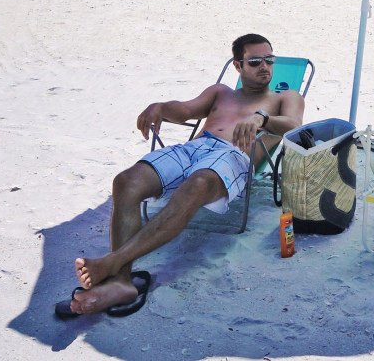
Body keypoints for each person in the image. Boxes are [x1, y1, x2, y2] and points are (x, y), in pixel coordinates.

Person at [60, 34, 304, 316]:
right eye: (255, 61)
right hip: (195, 148)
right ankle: (121, 283)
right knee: (126, 181)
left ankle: (113, 265)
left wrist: (262, 118)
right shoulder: (220, 92)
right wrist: (161, 107)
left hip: (233, 156)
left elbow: (293, 126)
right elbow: (186, 110)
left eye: (269, 59)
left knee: (198, 182)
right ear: (238, 65)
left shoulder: (285, 97)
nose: (265, 66)